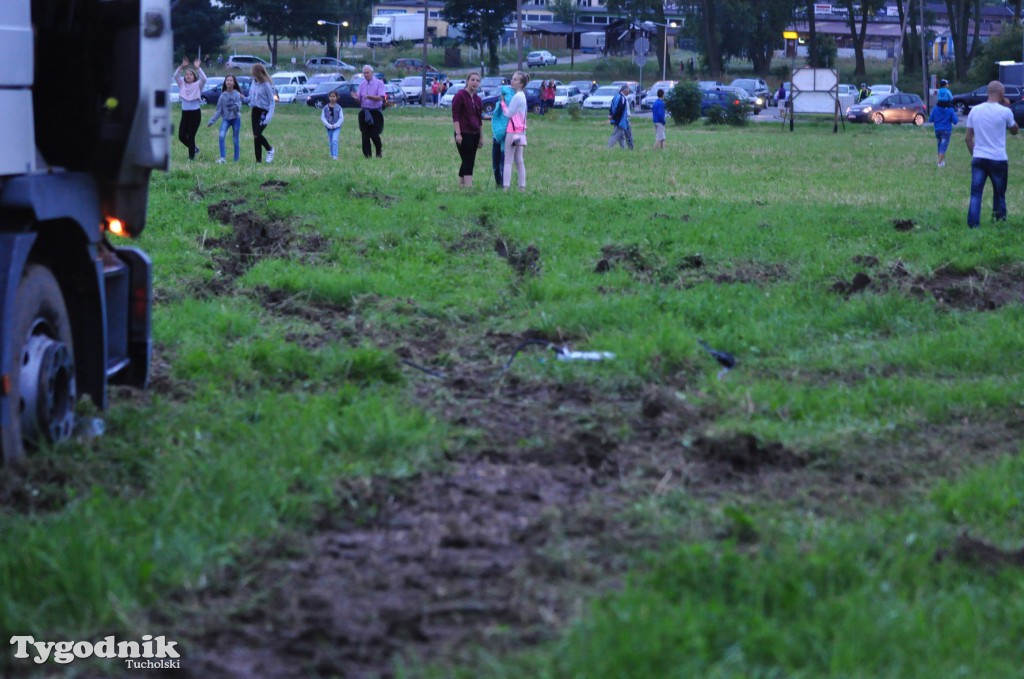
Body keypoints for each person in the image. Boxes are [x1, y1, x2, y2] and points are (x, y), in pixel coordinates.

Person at [965, 80, 1019, 228]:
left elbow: (968, 138)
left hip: (979, 158)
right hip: (998, 159)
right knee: (999, 194)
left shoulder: (975, 110)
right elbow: (1014, 130)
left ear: (988, 92)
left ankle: (973, 225)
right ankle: (998, 222)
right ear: (1001, 94)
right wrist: (1009, 108)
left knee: (976, 194)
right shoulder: (1005, 111)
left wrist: (975, 154)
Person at [452, 72, 484, 188]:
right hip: (464, 132)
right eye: (473, 80)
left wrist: (481, 137)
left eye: (477, 80)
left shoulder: (478, 99)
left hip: (475, 133)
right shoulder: (459, 96)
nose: (475, 82)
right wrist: (458, 134)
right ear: (467, 81)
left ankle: (460, 185)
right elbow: (455, 116)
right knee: (468, 160)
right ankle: (469, 187)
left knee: (468, 159)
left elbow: (479, 119)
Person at [173, 57, 207, 160]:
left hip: (195, 114)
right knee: (182, 136)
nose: (188, 76)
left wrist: (198, 68)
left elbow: (204, 79)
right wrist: (182, 66)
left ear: (194, 77)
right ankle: (194, 149)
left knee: (191, 136)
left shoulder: (198, 85)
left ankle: (191, 158)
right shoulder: (182, 84)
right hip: (185, 114)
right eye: (186, 74)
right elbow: (175, 76)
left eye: (190, 74)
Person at [501, 71, 530, 191]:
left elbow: (508, 114)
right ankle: (522, 187)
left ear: (521, 84)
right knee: (519, 159)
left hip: (512, 131)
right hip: (521, 131)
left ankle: (506, 187)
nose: (512, 81)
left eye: (516, 80)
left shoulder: (517, 96)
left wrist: (502, 103)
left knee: (508, 160)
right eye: (512, 79)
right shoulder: (522, 96)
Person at [206, 74, 242, 163]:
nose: (229, 82)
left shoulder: (237, 94)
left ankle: (236, 160)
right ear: (225, 83)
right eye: (227, 80)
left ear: (234, 83)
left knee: (235, 139)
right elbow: (219, 111)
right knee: (221, 136)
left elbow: (239, 105)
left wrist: (235, 107)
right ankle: (223, 158)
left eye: (231, 80)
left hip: (236, 119)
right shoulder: (222, 96)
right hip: (226, 119)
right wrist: (212, 121)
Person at [353, 65, 386, 158]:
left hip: (376, 112)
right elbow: (359, 99)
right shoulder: (362, 84)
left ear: (372, 73)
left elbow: (380, 98)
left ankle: (378, 151)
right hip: (364, 111)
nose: (365, 75)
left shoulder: (379, 83)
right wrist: (355, 98)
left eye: (367, 73)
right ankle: (367, 156)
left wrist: (369, 96)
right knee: (365, 134)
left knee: (375, 134)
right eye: (364, 73)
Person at [245, 63, 276, 163]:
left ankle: (270, 149)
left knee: (257, 134)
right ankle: (258, 160)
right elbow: (251, 97)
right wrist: (243, 98)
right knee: (255, 136)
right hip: (255, 111)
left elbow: (272, 102)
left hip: (264, 111)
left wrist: (268, 117)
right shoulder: (253, 82)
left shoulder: (266, 84)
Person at [491, 83, 513, 188]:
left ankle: (503, 183)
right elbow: (497, 114)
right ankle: (499, 183)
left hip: (505, 136)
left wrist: (503, 103)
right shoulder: (500, 101)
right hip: (497, 136)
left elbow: (507, 115)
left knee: (502, 163)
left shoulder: (513, 99)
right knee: (498, 163)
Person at [928, 97, 958, 168]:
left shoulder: (935, 109)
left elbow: (930, 119)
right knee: (943, 147)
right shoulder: (950, 110)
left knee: (939, 146)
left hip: (937, 130)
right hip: (946, 131)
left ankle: (941, 162)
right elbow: (955, 121)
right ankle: (939, 163)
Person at [607, 83, 633, 150]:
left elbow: (611, 107)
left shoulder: (616, 97)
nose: (629, 91)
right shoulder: (622, 98)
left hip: (620, 120)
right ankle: (608, 148)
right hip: (621, 120)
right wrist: (613, 116)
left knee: (621, 136)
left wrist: (611, 115)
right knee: (616, 135)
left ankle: (623, 149)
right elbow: (619, 110)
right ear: (624, 90)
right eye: (628, 90)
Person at [321, 90, 344, 160]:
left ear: (336, 97)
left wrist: (336, 125)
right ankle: (331, 154)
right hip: (329, 127)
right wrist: (328, 125)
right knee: (330, 141)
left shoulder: (339, 108)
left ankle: (335, 155)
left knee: (334, 140)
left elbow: (341, 118)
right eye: (330, 96)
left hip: (336, 127)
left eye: (334, 96)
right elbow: (323, 117)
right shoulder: (325, 108)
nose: (332, 98)